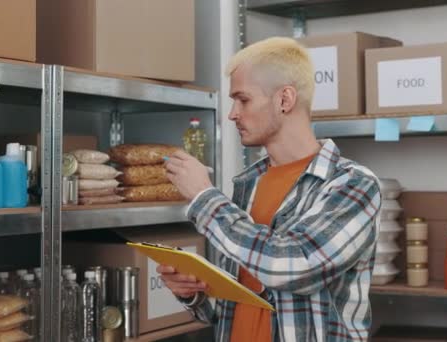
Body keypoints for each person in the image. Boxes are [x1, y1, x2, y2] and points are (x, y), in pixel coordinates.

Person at [158, 37, 381, 341]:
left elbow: (292, 267)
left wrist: (203, 197)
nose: (232, 114)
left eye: (243, 99)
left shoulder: (353, 184)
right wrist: (193, 293)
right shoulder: (247, 184)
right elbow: (232, 305)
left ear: (284, 100)